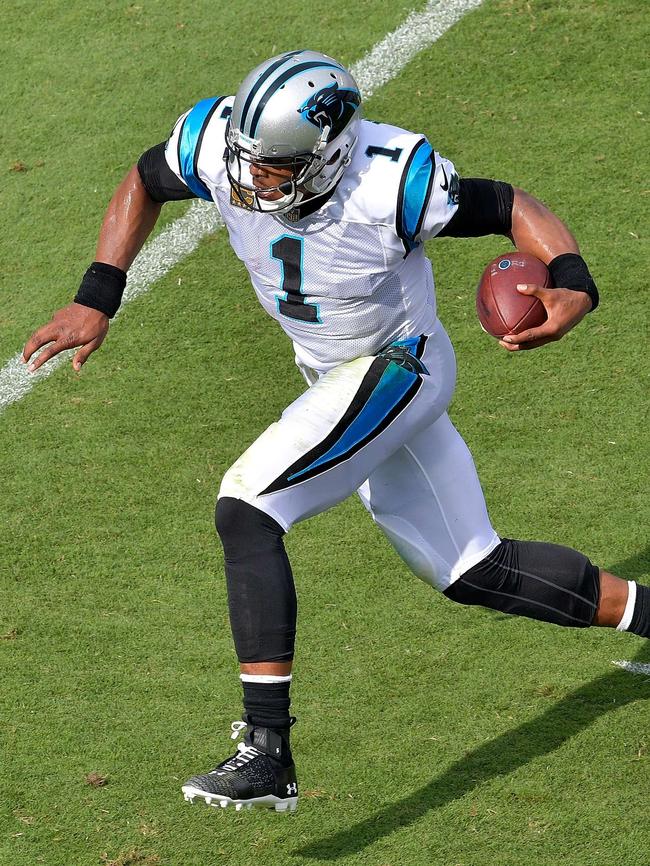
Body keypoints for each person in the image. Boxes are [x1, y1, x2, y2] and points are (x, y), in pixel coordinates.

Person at [23, 50, 648, 814]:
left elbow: (511, 203)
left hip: (398, 365)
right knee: (473, 569)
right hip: (336, 376)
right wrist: (100, 294)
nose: (254, 180)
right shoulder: (223, 144)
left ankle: (267, 752)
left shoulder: (389, 179)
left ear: (328, 155)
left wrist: (575, 282)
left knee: (248, 506)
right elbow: (146, 179)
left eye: (277, 168)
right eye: (248, 161)